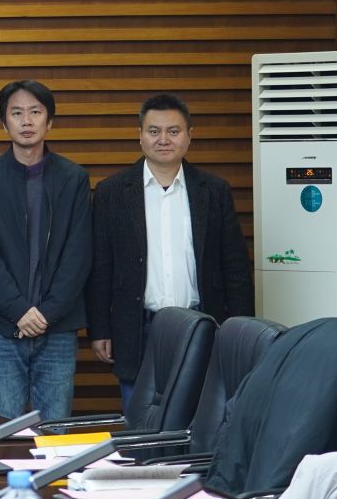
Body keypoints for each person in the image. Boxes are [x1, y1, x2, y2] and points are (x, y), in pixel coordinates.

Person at [87, 93, 253, 409]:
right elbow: (101, 269)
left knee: (201, 420)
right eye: (154, 131)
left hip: (204, 325)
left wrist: (241, 329)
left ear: (189, 136)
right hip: (138, 327)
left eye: (173, 131)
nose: (163, 139)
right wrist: (99, 329)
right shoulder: (112, 192)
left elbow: (235, 267)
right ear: (140, 136)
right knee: (140, 422)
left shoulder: (213, 190)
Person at [0, 80, 92, 421]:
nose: (26, 121)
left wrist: (46, 314)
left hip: (58, 328)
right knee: (4, 434)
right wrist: (19, 310)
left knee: (54, 434)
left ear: (49, 122)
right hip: (1, 329)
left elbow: (78, 255)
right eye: (17, 113)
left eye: (35, 112)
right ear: (3, 123)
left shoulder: (73, 178)